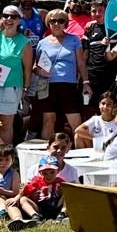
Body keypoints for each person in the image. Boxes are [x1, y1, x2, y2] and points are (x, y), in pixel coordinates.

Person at [0, 6, 36, 144]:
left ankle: (3, 156)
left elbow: (28, 69)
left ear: (19, 21)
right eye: (6, 15)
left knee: (4, 125)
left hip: (10, 87)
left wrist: (26, 89)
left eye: (14, 16)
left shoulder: (24, 42)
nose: (9, 19)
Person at [33, 10, 86, 141]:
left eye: (61, 21)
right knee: (48, 120)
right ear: (48, 23)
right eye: (53, 21)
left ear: (65, 23)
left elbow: (81, 63)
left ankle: (81, 151)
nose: (56, 24)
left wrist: (86, 83)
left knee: (75, 121)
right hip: (47, 85)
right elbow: (35, 66)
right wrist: (39, 71)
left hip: (68, 85)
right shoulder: (42, 43)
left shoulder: (74, 39)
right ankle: (47, 154)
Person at [8, 154, 66, 228]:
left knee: (67, 196)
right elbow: (25, 191)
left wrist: (62, 193)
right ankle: (35, 216)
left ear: (57, 171)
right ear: (40, 172)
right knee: (23, 199)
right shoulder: (37, 181)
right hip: (40, 207)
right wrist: (17, 197)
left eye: (52, 172)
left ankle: (62, 214)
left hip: (55, 206)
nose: (49, 176)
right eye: (45, 173)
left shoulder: (61, 182)